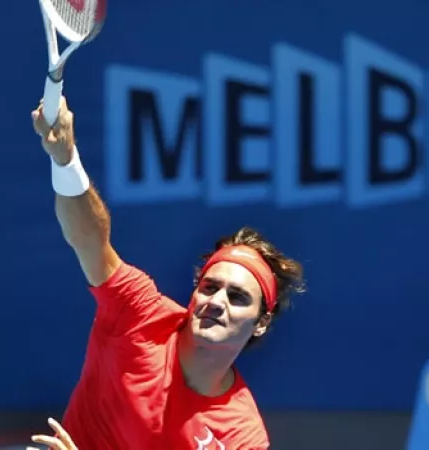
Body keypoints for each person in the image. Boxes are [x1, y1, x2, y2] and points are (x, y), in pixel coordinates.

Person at [27, 97, 306, 449]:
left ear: (261, 321)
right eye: (209, 287)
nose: (216, 302)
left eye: (237, 297)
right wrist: (65, 160)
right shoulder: (138, 313)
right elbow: (91, 242)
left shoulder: (242, 437)